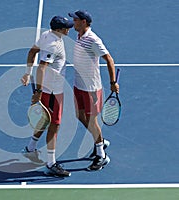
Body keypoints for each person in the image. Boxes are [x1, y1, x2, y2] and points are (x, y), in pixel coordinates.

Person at [20, 16, 73, 177]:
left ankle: (30, 147)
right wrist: (38, 92)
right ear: (59, 29)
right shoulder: (53, 45)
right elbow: (42, 67)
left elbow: (32, 52)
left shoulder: (47, 35)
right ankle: (51, 163)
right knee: (55, 124)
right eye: (66, 27)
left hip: (50, 89)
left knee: (45, 119)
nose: (69, 29)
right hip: (52, 91)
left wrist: (27, 74)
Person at [68, 10, 119, 171]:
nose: (73, 22)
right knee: (79, 115)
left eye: (75, 20)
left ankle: (101, 155)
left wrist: (113, 82)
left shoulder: (93, 39)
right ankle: (100, 141)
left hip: (90, 88)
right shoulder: (79, 36)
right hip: (78, 85)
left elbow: (109, 59)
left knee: (91, 120)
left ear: (84, 22)